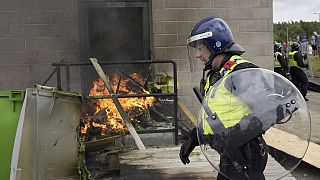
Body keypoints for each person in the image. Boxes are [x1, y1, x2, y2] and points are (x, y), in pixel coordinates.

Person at [180, 17, 269, 180]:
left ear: (216, 44)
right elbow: (217, 116)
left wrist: (237, 133)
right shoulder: (218, 74)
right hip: (229, 154)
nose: (197, 55)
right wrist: (194, 138)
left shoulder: (240, 72)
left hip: (245, 155)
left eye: (200, 48)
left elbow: (269, 110)